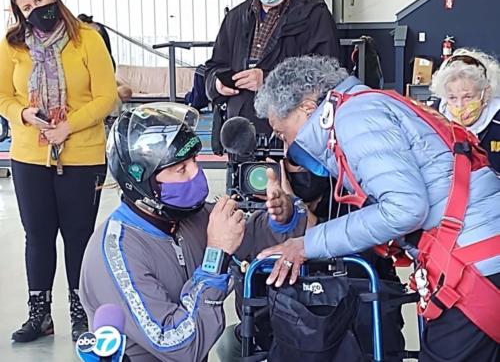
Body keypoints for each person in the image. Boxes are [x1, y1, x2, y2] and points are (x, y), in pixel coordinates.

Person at [255, 56, 500, 361]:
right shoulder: (365, 104)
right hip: (479, 255)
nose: (288, 146)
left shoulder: (355, 117)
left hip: (474, 265)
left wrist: (307, 245)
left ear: (307, 105)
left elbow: (404, 208)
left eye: (283, 133)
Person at [79, 103, 308, 361]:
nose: (196, 173)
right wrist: (216, 258)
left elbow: (252, 238)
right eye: (180, 169)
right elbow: (178, 346)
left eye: (194, 161)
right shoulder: (116, 253)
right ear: (142, 182)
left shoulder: (190, 217)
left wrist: (282, 218)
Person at [0, 0, 118, 343]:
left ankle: (81, 311)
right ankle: (40, 315)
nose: (36, 10)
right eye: (27, 7)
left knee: (78, 235)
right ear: (19, 13)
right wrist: (22, 113)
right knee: (37, 236)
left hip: (81, 154)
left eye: (39, 0)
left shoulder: (88, 39)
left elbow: (106, 97)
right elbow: (3, 95)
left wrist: (69, 126)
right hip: (28, 154)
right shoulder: (12, 45)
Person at [205, 0, 340, 136]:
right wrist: (217, 84)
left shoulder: (314, 16)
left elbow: (328, 77)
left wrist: (268, 80)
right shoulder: (236, 17)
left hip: (291, 135)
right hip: (241, 134)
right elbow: (213, 67)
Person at [429, 48, 500, 173]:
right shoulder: (431, 120)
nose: (460, 105)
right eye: (452, 98)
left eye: (468, 97)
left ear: (486, 93)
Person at [77, 13, 133, 103]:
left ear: (84, 23)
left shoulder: (93, 29)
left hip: (104, 63)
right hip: (108, 62)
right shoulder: (97, 26)